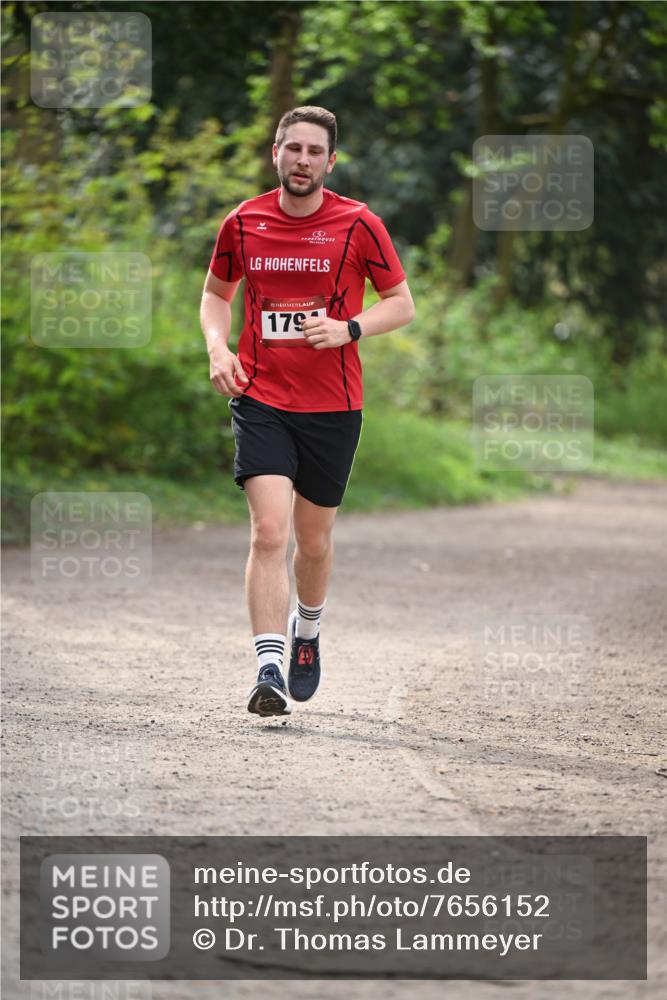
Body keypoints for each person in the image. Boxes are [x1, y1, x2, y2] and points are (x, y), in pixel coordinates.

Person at [200, 106, 414, 718]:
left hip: (333, 405)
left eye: (314, 151)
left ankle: (307, 629)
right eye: (292, 148)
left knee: (313, 542)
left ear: (330, 162)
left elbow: (401, 303)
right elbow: (216, 295)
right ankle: (268, 667)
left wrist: (350, 328)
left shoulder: (359, 224)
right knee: (270, 531)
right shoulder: (243, 222)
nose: (302, 160)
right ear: (276, 153)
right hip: (261, 396)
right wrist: (218, 348)